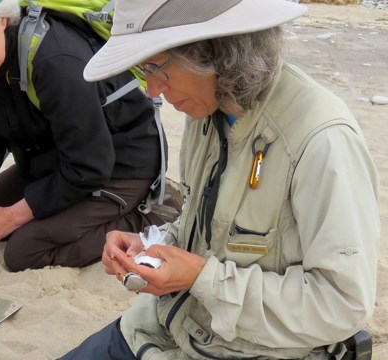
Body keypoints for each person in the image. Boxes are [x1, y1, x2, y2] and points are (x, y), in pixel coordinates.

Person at [59, 0, 380, 359]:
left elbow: (342, 305)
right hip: (165, 328)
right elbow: (205, 223)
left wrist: (201, 278)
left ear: (215, 52)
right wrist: (153, 244)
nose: (151, 90)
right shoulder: (209, 109)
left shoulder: (321, 142)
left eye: (155, 67)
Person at [0, 0, 181, 272]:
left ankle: (152, 214)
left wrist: (15, 214)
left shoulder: (56, 59)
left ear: (2, 18)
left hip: (119, 166)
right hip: (59, 158)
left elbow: (90, 165)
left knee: (24, 252)